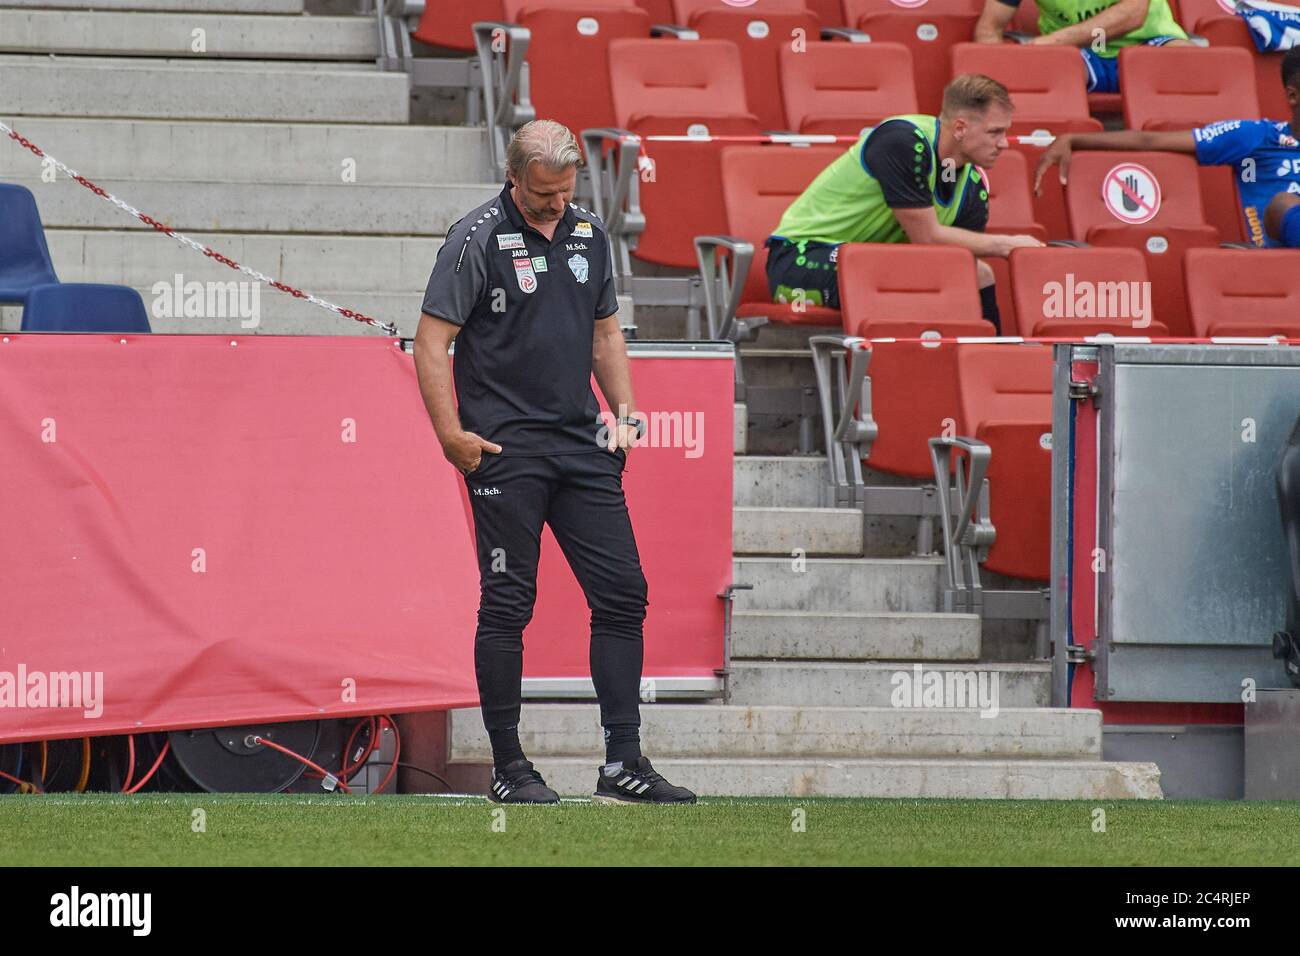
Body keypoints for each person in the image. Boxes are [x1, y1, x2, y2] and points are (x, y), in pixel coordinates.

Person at [413, 119, 696, 805]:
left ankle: (622, 764)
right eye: (542, 196)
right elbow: (429, 342)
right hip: (505, 451)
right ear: (514, 178)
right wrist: (451, 436)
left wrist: (624, 412)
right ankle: (510, 770)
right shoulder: (474, 238)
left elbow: (605, 333)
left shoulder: (590, 235)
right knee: (510, 602)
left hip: (581, 444)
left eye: (564, 193)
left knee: (624, 592)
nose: (555, 206)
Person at [765, 74, 1044, 334]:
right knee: (890, 277)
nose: (1004, 144)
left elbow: (952, 262)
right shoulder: (902, 141)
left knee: (974, 273)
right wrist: (1007, 245)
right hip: (801, 259)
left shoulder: (974, 187)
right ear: (960, 128)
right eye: (994, 132)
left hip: (881, 267)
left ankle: (986, 361)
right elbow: (927, 238)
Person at [1034, 48, 1300, 248]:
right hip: (1280, 262)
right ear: (1292, 95)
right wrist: (1075, 139)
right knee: (1283, 203)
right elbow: (1149, 141)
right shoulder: (1257, 136)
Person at [973, 0, 1190, 94]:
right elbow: (988, 30)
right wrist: (995, 85)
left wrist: (1054, 41)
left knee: (1190, 62)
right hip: (1078, 53)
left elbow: (1134, 13)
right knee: (1043, 75)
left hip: (1148, 41)